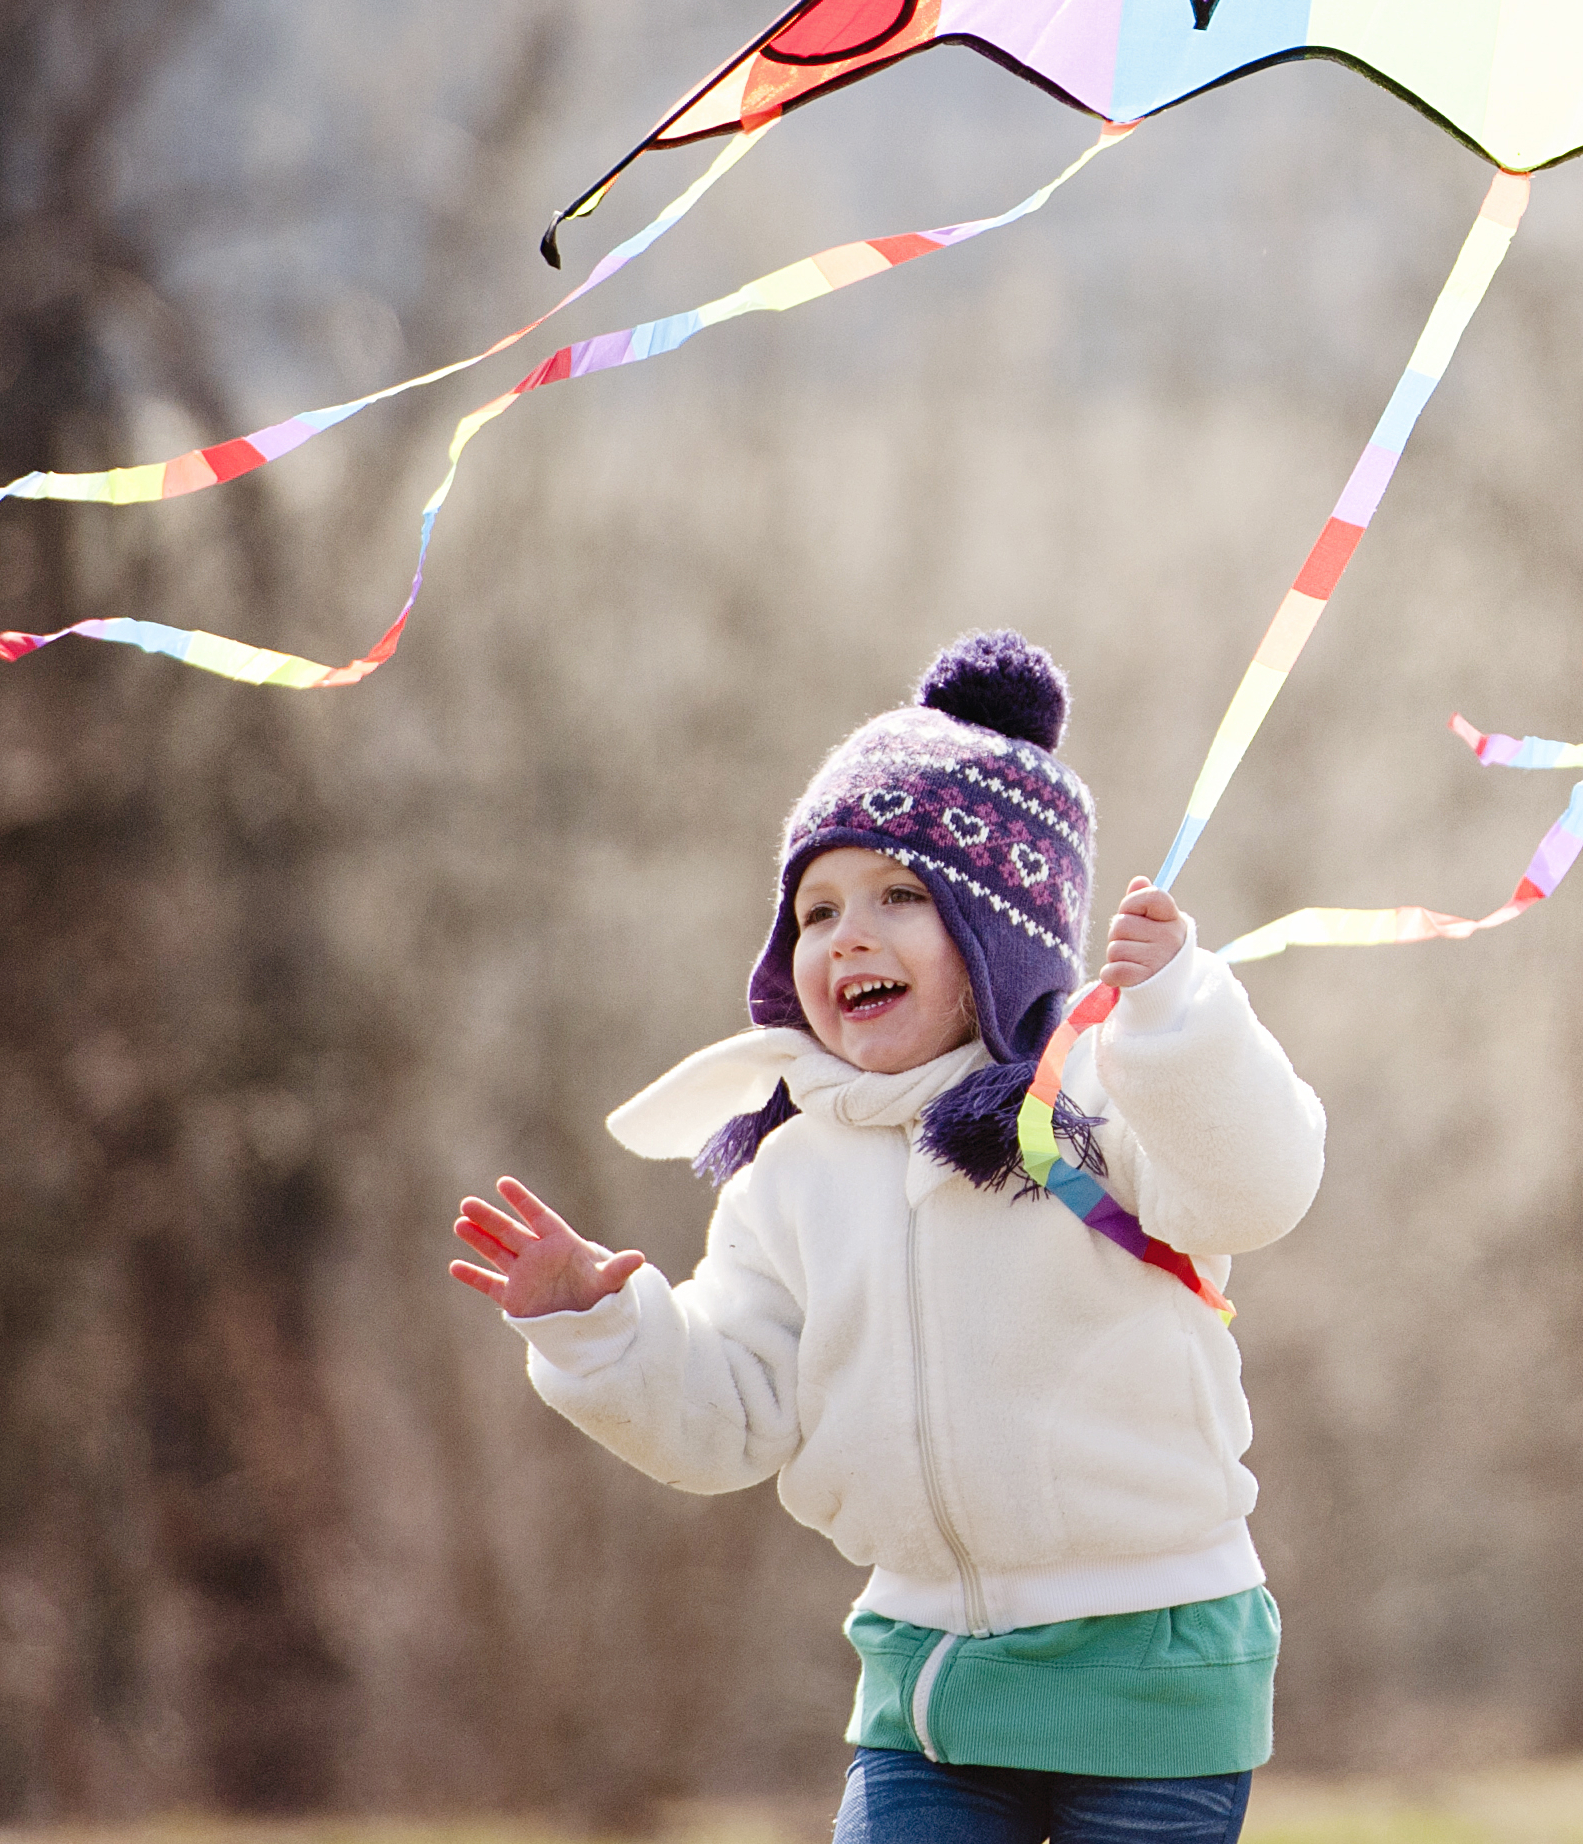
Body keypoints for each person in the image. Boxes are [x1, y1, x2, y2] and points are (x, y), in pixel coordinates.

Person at [449, 629, 1324, 1844]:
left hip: (1151, 1660)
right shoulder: (790, 1174)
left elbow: (1253, 1189)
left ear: (995, 933)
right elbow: (729, 1417)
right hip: (927, 1682)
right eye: (815, 911)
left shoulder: (1098, 1104)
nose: (846, 936)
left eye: (899, 898)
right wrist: (600, 1329)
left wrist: (1177, 1015)